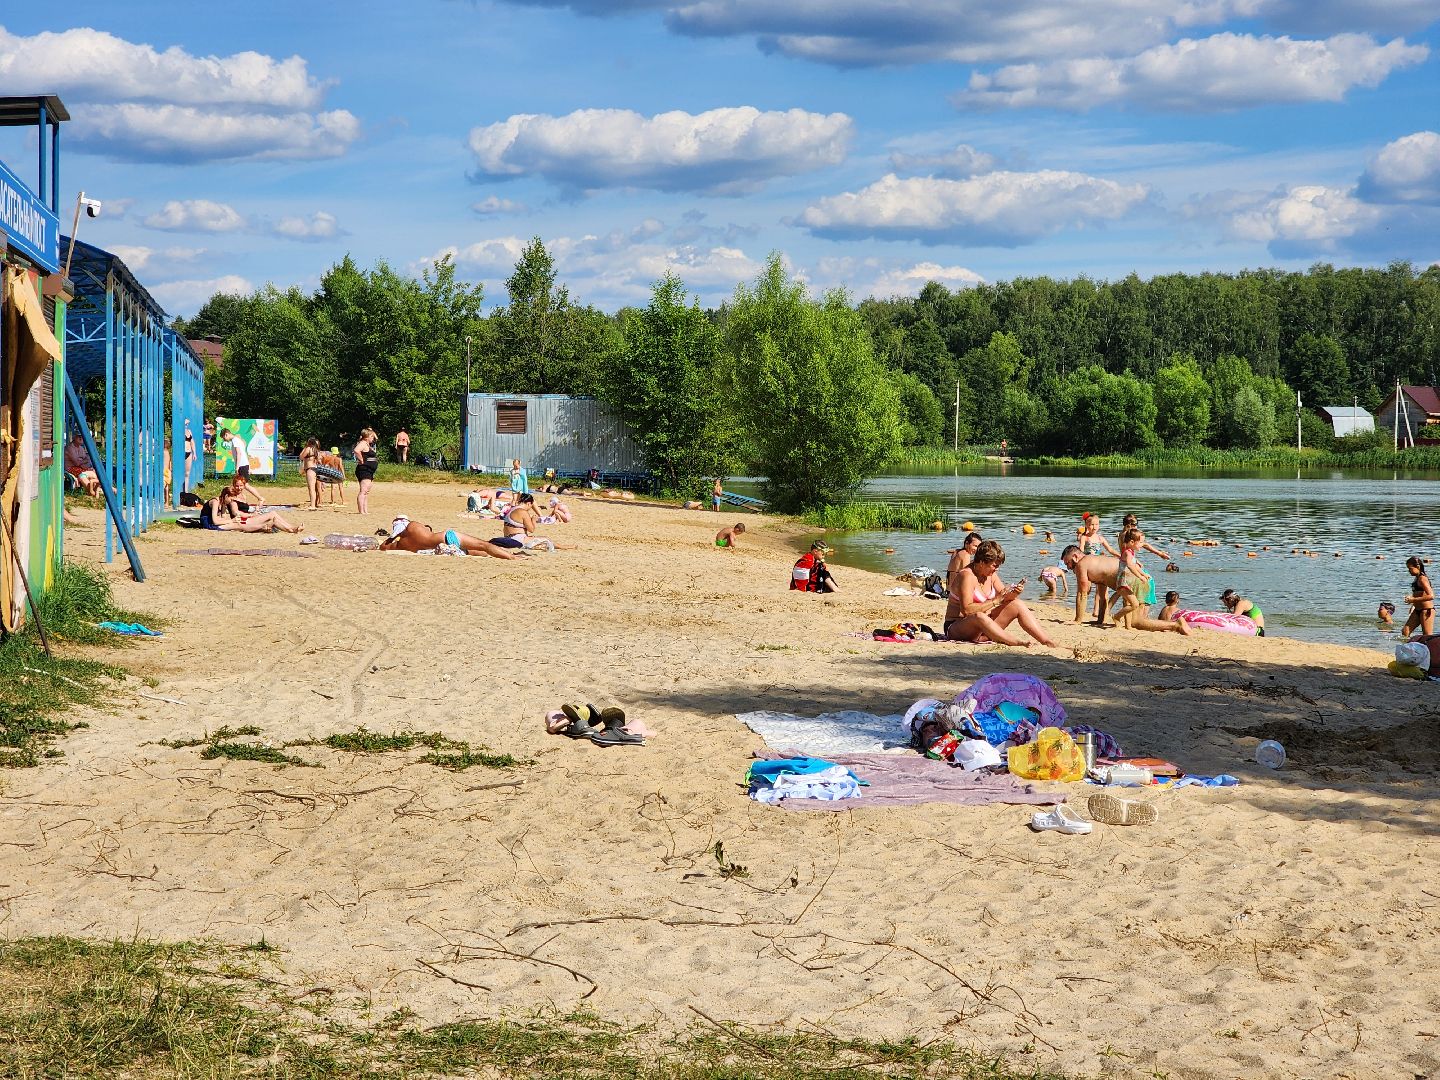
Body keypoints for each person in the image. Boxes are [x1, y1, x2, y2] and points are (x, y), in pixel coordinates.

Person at [944, 539, 1054, 647]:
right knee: (979, 616)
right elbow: (967, 610)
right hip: (957, 627)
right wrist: (995, 601)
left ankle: (1046, 641)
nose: (997, 569)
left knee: (1017, 604)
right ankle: (1014, 641)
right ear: (982, 562)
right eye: (994, 565)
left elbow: (1004, 597)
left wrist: (1015, 592)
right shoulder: (967, 576)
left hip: (983, 628)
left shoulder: (991, 575)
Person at [1061, 546, 1189, 635]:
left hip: (1138, 580)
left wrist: (1077, 621)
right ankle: (1172, 625)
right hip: (1139, 578)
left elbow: (1082, 594)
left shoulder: (1082, 564)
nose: (1068, 567)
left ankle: (1176, 625)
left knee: (1137, 622)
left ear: (1076, 556)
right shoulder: (1095, 562)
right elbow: (1102, 596)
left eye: (1068, 563)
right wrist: (1100, 621)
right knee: (1135, 622)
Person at [381, 516, 520, 559]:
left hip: (442, 546)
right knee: (484, 545)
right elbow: (428, 530)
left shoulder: (402, 545)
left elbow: (384, 547)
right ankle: (512, 557)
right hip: (448, 537)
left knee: (475, 550)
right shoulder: (413, 526)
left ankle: (503, 554)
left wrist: (392, 537)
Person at [493, 493, 574, 551]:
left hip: (508, 537)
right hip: (518, 539)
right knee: (546, 539)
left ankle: (561, 547)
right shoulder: (523, 512)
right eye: (531, 506)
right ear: (528, 503)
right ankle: (563, 547)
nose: (530, 508)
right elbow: (531, 529)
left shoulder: (512, 509)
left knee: (540, 541)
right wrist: (533, 520)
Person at [198, 496, 300, 533]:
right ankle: (264, 526)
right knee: (239, 525)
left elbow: (223, 517)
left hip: (217, 522)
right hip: (209, 524)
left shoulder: (224, 502)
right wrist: (232, 520)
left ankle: (291, 528)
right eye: (231, 498)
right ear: (226, 496)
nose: (232, 501)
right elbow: (215, 521)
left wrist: (229, 519)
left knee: (272, 513)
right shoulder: (216, 502)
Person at [1402, 556, 1434, 637]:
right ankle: (1410, 648)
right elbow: (1419, 594)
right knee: (1405, 632)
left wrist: (1413, 599)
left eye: (1410, 568)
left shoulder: (1422, 579)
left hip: (1426, 611)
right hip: (1417, 610)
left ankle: (1431, 649)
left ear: (1418, 566)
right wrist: (1413, 604)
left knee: (1427, 636)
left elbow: (1431, 596)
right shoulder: (1417, 578)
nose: (1409, 571)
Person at [63, 433, 102, 497]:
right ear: (74, 437)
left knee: (94, 471)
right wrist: (83, 460)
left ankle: (98, 489)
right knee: (83, 475)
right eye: (79, 436)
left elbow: (87, 460)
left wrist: (82, 460)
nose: (81, 438)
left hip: (81, 467)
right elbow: (77, 463)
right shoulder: (70, 448)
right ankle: (95, 490)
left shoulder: (81, 448)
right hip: (71, 468)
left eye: (82, 436)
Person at [353, 428, 379, 515]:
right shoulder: (363, 443)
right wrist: (361, 460)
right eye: (371, 436)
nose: (373, 438)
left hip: (369, 470)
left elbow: (376, 437)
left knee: (366, 491)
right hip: (364, 470)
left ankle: (365, 510)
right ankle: (361, 511)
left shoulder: (368, 444)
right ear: (367, 437)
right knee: (363, 491)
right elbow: (356, 450)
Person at [298, 438, 321, 510]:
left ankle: (313, 505)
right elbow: (319, 460)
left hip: (310, 469)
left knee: (311, 488)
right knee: (313, 488)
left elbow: (301, 456)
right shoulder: (316, 450)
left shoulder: (308, 448)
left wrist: (304, 448)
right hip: (315, 469)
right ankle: (314, 504)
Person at [182, 418, 196, 493]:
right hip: (181, 453)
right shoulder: (179, 430)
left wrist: (194, 453)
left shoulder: (189, 431)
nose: (186, 425)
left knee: (187, 473)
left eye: (187, 424)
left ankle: (186, 491)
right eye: (185, 424)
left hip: (189, 452)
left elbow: (192, 442)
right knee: (180, 472)